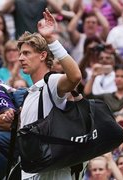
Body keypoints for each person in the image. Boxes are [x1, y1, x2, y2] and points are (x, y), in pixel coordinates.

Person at [17, 9, 81, 179]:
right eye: (20, 54)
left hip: (51, 173)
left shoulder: (51, 82)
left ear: (43, 55)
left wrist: (51, 39)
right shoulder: (30, 93)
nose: (20, 58)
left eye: (27, 53)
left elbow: (75, 77)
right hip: (32, 172)